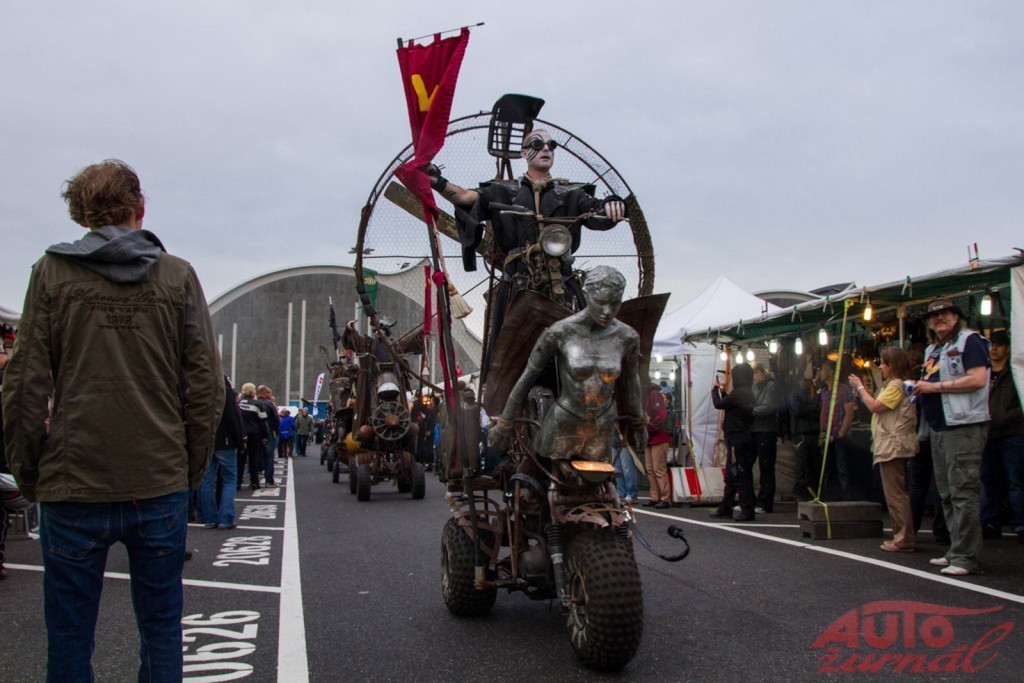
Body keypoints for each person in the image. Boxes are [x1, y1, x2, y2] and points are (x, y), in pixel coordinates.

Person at [1, 159, 224, 679]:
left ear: (81, 214)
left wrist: (28, 470)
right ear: (139, 207)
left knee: (69, 635)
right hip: (157, 478)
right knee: (162, 627)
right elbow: (206, 385)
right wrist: (189, 468)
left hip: (73, 479)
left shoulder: (51, 272)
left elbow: (25, 383)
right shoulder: (176, 275)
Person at [428, 129, 627, 375]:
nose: (546, 149)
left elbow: (596, 211)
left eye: (552, 145)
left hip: (561, 281)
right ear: (524, 153)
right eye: (537, 144)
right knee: (507, 356)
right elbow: (466, 197)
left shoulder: (572, 193)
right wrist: (438, 182)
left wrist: (612, 204)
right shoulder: (502, 191)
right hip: (518, 284)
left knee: (584, 346)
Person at [488, 266, 646, 466]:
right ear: (587, 295)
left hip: (602, 425)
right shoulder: (560, 332)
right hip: (563, 422)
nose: (607, 312)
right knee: (546, 476)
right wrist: (504, 423)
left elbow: (631, 383)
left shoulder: (627, 337)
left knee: (600, 480)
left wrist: (638, 423)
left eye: (615, 304)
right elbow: (527, 377)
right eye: (600, 302)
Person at [911, 297, 991, 576]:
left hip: (963, 424)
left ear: (956, 316)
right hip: (938, 426)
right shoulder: (933, 349)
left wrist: (934, 388)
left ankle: (966, 556)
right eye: (933, 316)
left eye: (945, 313)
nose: (939, 318)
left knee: (963, 491)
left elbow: (978, 379)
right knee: (946, 493)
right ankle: (956, 549)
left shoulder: (971, 341)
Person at [849, 347, 919, 552]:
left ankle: (903, 539)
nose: (880, 367)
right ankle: (901, 536)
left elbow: (875, 406)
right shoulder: (895, 385)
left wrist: (860, 388)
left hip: (892, 444)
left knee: (895, 493)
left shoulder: (896, 386)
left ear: (893, 365)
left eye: (884, 363)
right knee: (895, 493)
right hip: (891, 443)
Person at [980, 330, 1024, 543]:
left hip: (1013, 432)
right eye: (991, 344)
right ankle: (990, 521)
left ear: (1008, 348)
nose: (994, 348)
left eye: (999, 344)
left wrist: (1007, 417)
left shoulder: (1015, 373)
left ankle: (1020, 523)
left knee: (1016, 480)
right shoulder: (984, 372)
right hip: (988, 432)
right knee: (989, 480)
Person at [709, 364, 757, 522]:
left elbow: (719, 404)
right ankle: (726, 507)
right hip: (742, 438)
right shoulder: (747, 393)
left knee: (739, 474)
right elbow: (730, 403)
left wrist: (715, 389)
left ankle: (747, 510)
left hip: (737, 439)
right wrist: (723, 392)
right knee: (732, 475)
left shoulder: (739, 393)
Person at [201, 376, 244, 529]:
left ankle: (209, 518)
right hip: (225, 441)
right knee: (229, 479)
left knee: (206, 481)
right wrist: (240, 442)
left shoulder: (201, 391)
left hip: (205, 441)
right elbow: (234, 419)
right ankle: (226, 518)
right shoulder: (226, 393)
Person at [818, 359, 860, 500]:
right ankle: (829, 497)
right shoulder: (824, 391)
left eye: (823, 369)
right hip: (827, 434)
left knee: (842, 468)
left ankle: (847, 498)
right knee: (827, 468)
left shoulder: (843, 390)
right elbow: (823, 412)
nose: (820, 373)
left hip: (839, 434)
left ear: (830, 372)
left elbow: (849, 413)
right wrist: (822, 432)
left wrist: (841, 433)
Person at [751, 363, 782, 513]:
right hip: (756, 430)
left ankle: (765, 502)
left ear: (763, 374)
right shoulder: (754, 388)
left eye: (756, 373)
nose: (754, 376)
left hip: (767, 430)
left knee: (766, 467)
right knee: (756, 465)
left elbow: (769, 407)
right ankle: (754, 500)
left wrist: (751, 410)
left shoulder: (771, 387)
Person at [789, 376, 822, 501]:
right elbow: (798, 411)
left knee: (813, 465)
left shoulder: (814, 394)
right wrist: (813, 408)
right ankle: (799, 492)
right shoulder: (794, 394)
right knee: (801, 465)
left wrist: (810, 409)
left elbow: (819, 410)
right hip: (802, 433)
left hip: (811, 432)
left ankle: (811, 491)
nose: (807, 382)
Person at [643, 383, 673, 509]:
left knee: (658, 469)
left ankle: (664, 498)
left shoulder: (654, 395)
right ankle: (655, 497)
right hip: (651, 437)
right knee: (651, 469)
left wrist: (648, 429)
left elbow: (660, 416)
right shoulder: (648, 395)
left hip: (658, 437)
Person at [238, 383, 269, 490]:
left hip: (241, 434)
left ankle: (238, 482)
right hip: (254, 434)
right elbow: (263, 421)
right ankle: (255, 482)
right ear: (252, 392)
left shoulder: (238, 403)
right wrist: (265, 436)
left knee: (240, 459)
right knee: (253, 459)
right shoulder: (257, 404)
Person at [256, 385, 280, 487]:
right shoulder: (269, 404)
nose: (270, 394)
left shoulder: (254, 403)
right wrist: (275, 431)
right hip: (269, 433)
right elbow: (276, 419)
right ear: (265, 393)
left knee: (255, 457)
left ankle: (254, 481)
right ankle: (269, 481)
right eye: (269, 392)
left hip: (255, 434)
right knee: (269, 457)